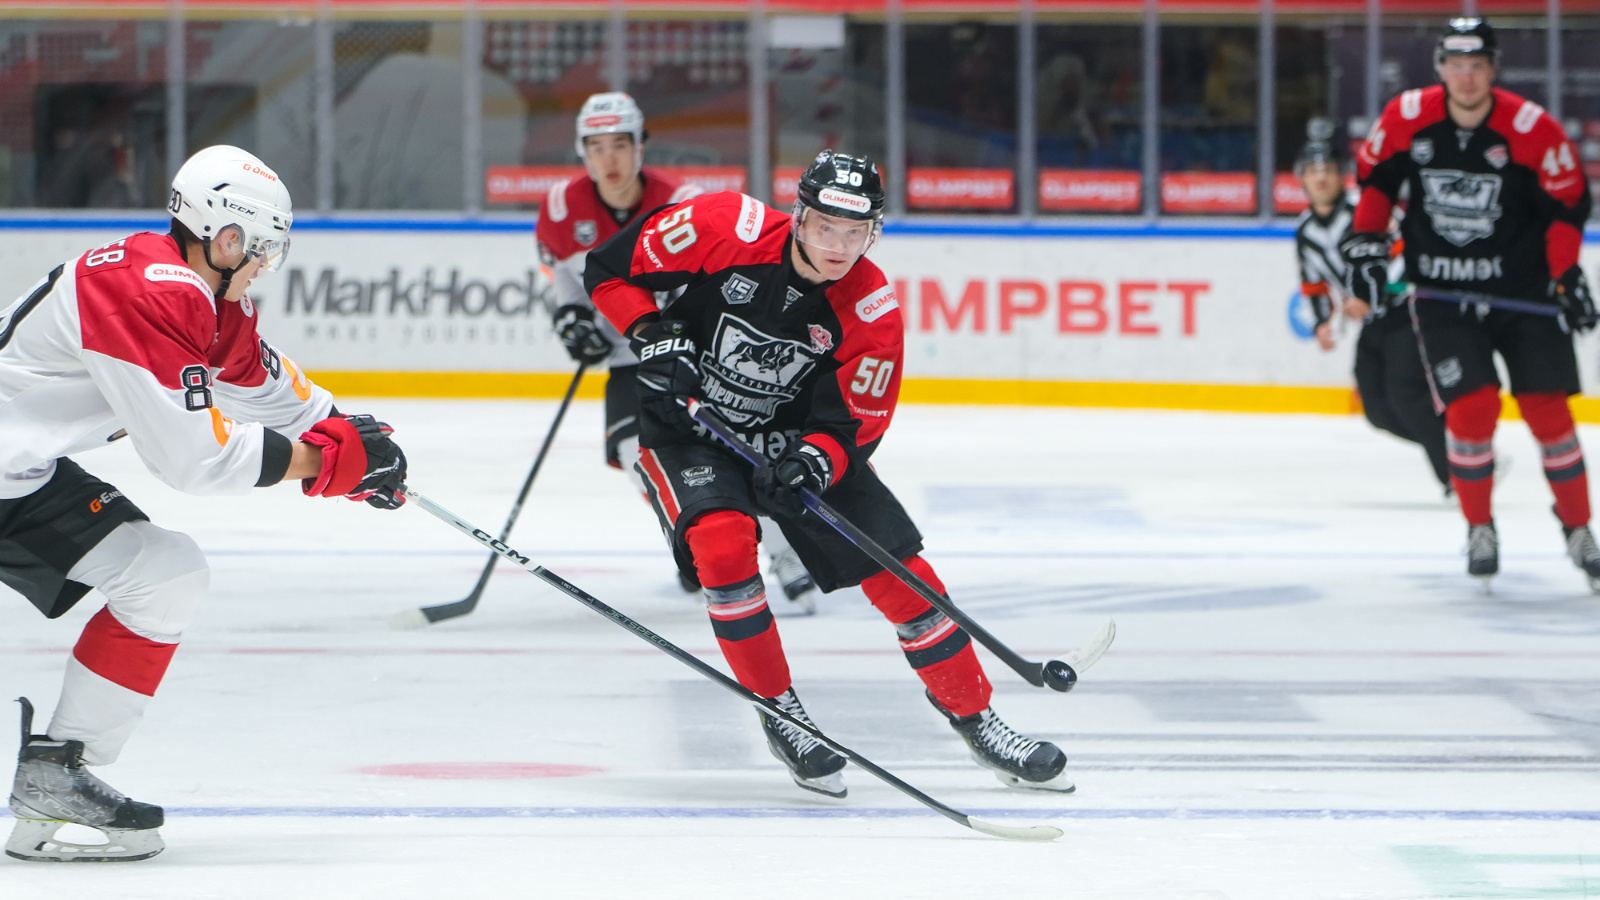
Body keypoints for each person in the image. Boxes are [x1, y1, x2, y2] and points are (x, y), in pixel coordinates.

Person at [583, 150, 1073, 797]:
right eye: (825, 227)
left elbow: (854, 426)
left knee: (903, 574)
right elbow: (608, 271)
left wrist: (814, 459)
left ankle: (978, 720)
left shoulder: (871, 309)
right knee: (723, 545)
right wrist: (651, 331)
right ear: (798, 216)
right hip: (690, 427)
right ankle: (781, 712)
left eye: (855, 232)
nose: (838, 247)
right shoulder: (722, 224)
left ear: (874, 232)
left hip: (796, 443)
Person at [1, 145, 407, 861]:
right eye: (263, 251)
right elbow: (195, 459)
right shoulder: (149, 292)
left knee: (166, 575)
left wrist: (353, 437)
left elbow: (270, 386)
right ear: (226, 238)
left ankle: (55, 777)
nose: (265, 267)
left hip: (17, 477)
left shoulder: (205, 298)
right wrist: (326, 464)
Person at [537, 92, 820, 613]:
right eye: (596, 147)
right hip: (632, 358)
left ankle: (785, 551)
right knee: (637, 453)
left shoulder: (682, 200)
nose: (609, 159)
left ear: (641, 146)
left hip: (698, 355)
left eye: (620, 144)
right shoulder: (560, 209)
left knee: (738, 447)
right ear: (582, 152)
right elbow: (564, 281)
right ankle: (698, 541)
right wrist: (571, 319)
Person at [1343, 17, 1600, 589]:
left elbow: (1567, 205)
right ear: (1440, 69)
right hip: (1444, 296)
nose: (1466, 77)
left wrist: (1565, 274)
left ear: (1493, 70)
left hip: (1522, 292)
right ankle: (1479, 526)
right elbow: (1377, 181)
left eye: (1477, 66)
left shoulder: (1531, 128)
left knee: (1549, 414)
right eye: (1456, 65)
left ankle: (1579, 528)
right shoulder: (1407, 117)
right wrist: (1368, 243)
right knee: (1472, 410)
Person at [1293, 129, 1450, 496]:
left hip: (1406, 310)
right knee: (1377, 409)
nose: (1321, 178)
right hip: (1373, 321)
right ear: (1302, 178)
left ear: (1341, 174)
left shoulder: (1366, 207)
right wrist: (1321, 323)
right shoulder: (1305, 231)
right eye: (1313, 171)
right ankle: (1464, 448)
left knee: (1406, 395)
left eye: (1328, 169)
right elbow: (1314, 285)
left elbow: (1407, 252)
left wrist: (1372, 294)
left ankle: (1459, 472)